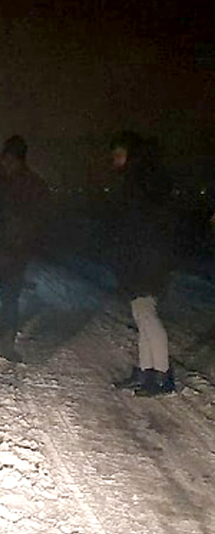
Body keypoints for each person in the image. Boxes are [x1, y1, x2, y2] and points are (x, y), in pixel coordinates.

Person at [107, 131, 176, 396]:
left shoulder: (143, 183)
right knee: (141, 314)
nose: (114, 160)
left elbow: (142, 225)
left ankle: (162, 374)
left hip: (148, 258)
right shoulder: (138, 181)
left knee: (147, 313)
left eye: (119, 154)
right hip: (140, 257)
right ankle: (148, 371)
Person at [0, 135, 50, 361]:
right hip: (17, 251)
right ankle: (5, 343)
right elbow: (43, 220)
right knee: (10, 298)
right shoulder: (36, 184)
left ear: (9, 157)